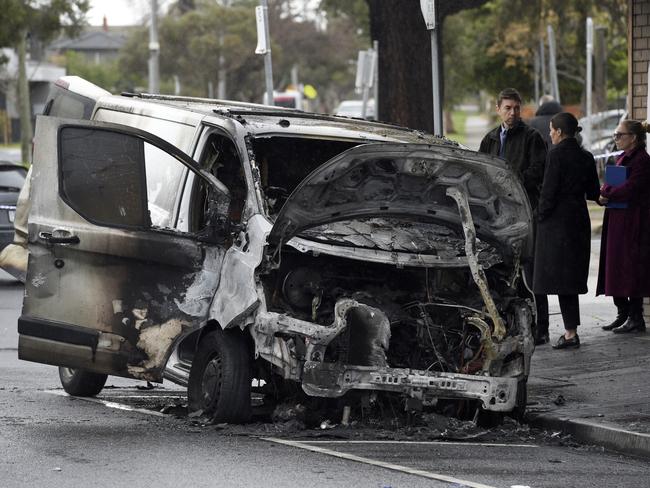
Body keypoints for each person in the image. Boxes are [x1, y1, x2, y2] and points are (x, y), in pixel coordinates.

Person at [479, 88, 549, 344]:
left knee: (531, 272)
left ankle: (542, 327)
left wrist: (509, 183)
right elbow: (481, 171)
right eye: (507, 108)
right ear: (498, 109)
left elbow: (538, 170)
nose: (512, 113)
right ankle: (506, 325)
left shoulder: (532, 137)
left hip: (525, 211)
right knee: (500, 270)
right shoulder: (490, 139)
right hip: (496, 214)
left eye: (516, 108)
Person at [533, 113, 600, 349]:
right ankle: (571, 330)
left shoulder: (556, 155)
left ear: (559, 132)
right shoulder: (587, 156)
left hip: (556, 224)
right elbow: (593, 192)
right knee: (569, 279)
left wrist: (539, 216)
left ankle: (568, 333)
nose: (550, 134)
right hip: (579, 220)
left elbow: (548, 193)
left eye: (552, 130)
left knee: (555, 279)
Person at [597, 119, 650, 333]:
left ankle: (635, 316)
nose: (616, 139)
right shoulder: (621, 158)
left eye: (620, 135)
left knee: (631, 268)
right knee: (615, 267)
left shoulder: (642, 161)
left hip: (634, 221)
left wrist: (606, 193)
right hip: (618, 219)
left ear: (634, 138)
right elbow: (611, 183)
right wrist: (603, 191)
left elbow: (631, 188)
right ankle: (623, 312)